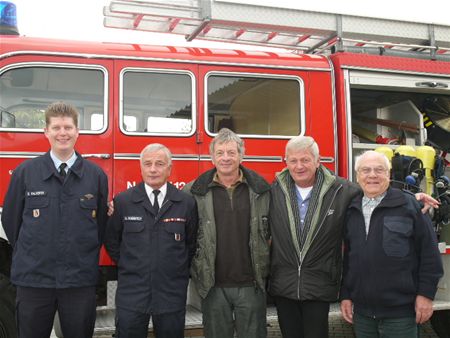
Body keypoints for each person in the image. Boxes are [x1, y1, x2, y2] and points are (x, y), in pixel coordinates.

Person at [268, 135, 438, 338]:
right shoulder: (272, 190)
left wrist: (411, 197)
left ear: (318, 160)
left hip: (319, 285)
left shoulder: (341, 190)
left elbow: (375, 189)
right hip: (285, 284)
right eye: (293, 160)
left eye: (305, 160)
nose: (299, 166)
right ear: (284, 161)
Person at [1, 102, 109, 338]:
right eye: (57, 127)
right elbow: (11, 222)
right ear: (46, 132)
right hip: (34, 281)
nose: (63, 133)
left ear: (77, 132)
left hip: (79, 281)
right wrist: (34, 254)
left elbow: (100, 226)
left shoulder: (96, 176)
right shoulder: (25, 173)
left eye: (68, 127)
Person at [340, 150, 443, 337]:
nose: (372, 175)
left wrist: (426, 295)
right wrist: (346, 295)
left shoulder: (409, 205)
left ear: (388, 174)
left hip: (401, 313)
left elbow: (429, 255)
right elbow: (349, 258)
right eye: (366, 170)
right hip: (362, 314)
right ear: (357, 176)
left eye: (379, 170)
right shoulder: (351, 209)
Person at [184, 128, 271, 338]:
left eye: (231, 152)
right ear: (212, 156)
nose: (226, 158)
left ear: (241, 155)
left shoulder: (262, 190)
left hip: (252, 285)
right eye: (220, 152)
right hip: (212, 286)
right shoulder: (192, 192)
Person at [104, 143, 198, 338]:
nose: (153, 169)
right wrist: (131, 265)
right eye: (148, 164)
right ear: (141, 167)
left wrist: (174, 268)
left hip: (171, 294)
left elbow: (191, 243)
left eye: (159, 164)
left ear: (169, 169)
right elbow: (112, 240)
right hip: (132, 294)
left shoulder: (186, 203)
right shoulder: (124, 202)